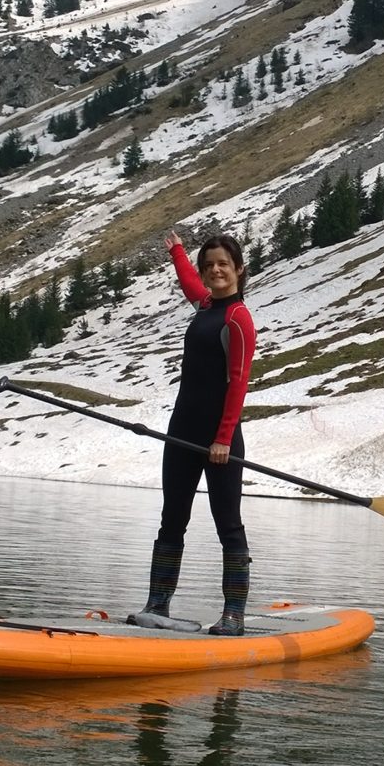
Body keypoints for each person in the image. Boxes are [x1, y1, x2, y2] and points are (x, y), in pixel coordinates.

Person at [132, 230, 256, 635]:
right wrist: (177, 252)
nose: (215, 271)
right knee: (172, 520)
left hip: (220, 440)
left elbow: (238, 382)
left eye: (223, 264)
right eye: (209, 266)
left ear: (238, 269)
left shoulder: (239, 318)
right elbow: (190, 283)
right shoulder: (204, 306)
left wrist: (222, 438)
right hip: (180, 432)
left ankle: (234, 614)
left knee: (228, 524)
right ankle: (158, 603)